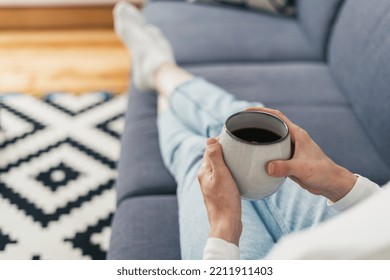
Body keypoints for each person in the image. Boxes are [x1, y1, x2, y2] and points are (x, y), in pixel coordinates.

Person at [114, 1, 390, 259]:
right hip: (365, 232)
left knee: (201, 157)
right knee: (246, 121)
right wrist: (337, 180)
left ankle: (160, 74)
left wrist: (224, 229)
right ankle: (161, 77)